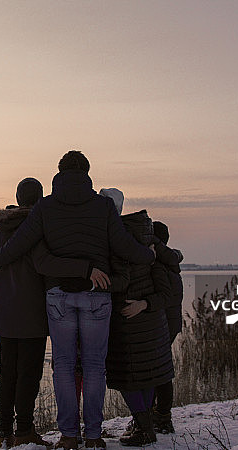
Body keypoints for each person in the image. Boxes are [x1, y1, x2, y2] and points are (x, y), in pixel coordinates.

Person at [0, 151, 157, 450]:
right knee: (95, 367)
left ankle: (68, 436)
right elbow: (123, 245)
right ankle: (93, 436)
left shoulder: (45, 207)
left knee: (64, 367)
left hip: (59, 298)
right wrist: (150, 255)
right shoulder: (103, 206)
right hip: (97, 294)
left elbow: (21, 242)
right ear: (88, 172)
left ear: (59, 172)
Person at [0, 177, 110, 449]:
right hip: (32, 314)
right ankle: (25, 430)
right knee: (28, 374)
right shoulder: (37, 227)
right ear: (41, 198)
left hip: (5, 313)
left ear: (17, 198)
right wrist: (83, 270)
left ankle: (4, 431)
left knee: (7, 373)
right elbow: (45, 265)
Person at [98, 188, 177, 446]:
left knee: (126, 377)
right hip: (150, 323)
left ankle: (144, 428)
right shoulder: (147, 241)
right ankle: (145, 425)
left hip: (130, 323)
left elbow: (124, 281)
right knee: (146, 376)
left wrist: (142, 304)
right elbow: (166, 290)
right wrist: (146, 304)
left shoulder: (111, 240)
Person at [150, 220, 184, 435]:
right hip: (170, 324)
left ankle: (161, 416)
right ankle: (161, 415)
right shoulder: (171, 264)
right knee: (161, 371)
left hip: (163, 325)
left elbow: (163, 298)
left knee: (159, 373)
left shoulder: (161, 266)